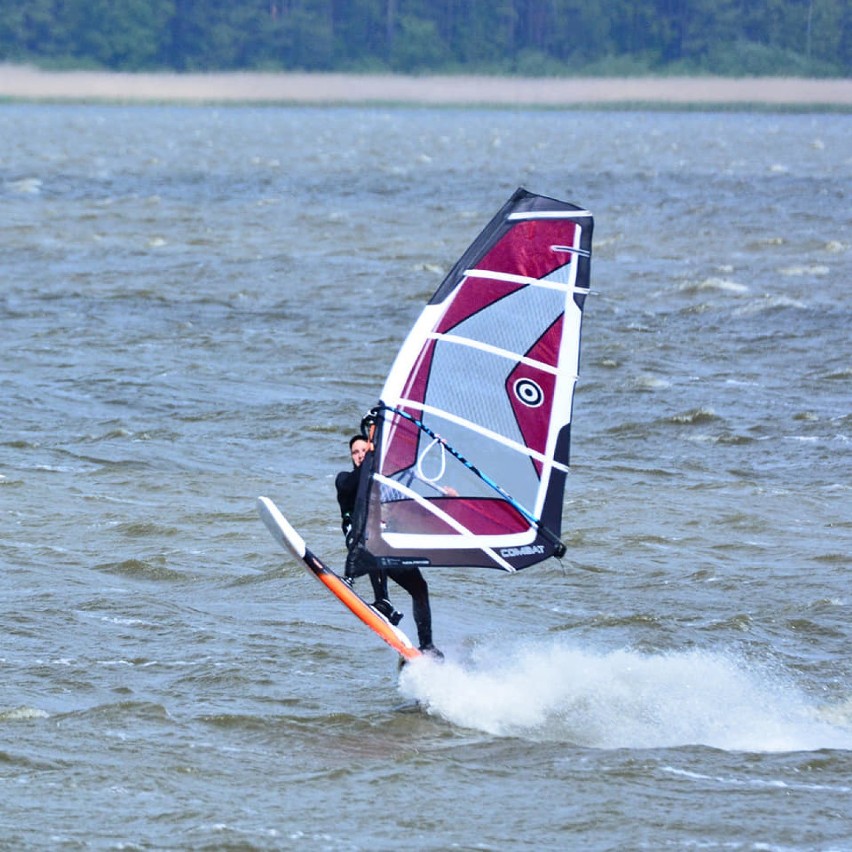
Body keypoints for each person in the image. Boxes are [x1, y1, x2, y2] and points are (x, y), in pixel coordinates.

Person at [335, 434, 442, 658]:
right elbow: (358, 482)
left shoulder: (382, 483)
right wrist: (371, 457)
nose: (360, 455)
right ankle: (383, 600)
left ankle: (427, 646)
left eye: (364, 450)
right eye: (355, 452)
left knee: (419, 588)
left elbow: (410, 473)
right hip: (359, 542)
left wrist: (443, 493)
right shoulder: (345, 479)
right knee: (374, 536)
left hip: (384, 548)